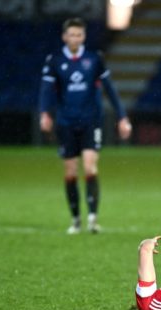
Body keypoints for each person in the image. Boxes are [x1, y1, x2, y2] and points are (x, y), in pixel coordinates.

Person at [39, 17, 132, 234]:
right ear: (64, 37)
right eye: (71, 34)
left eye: (79, 35)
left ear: (84, 37)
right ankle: (75, 220)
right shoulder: (54, 60)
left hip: (91, 120)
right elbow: (45, 90)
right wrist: (44, 114)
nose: (75, 38)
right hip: (65, 122)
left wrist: (122, 117)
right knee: (70, 171)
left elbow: (110, 89)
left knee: (90, 167)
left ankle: (92, 218)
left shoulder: (94, 59)